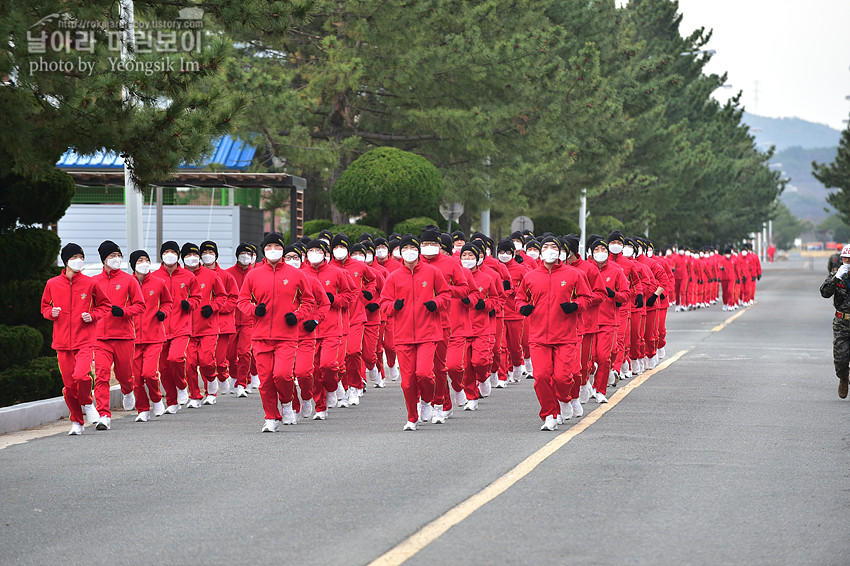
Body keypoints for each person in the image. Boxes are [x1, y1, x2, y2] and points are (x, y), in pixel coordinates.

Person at [237, 232, 316, 432]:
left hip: (287, 335)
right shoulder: (253, 274)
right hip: (261, 336)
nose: (273, 250)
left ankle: (288, 404)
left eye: (277, 247)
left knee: (282, 375)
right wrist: (254, 310)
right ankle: (271, 417)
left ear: (283, 249)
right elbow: (242, 301)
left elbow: (309, 301)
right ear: (264, 250)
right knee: (265, 381)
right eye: (269, 247)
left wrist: (297, 316)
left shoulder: (296, 274)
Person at [516, 236, 592, 430]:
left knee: (563, 378)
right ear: (541, 252)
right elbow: (519, 299)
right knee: (541, 376)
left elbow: (587, 298)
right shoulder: (531, 276)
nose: (549, 250)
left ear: (559, 252)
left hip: (565, 336)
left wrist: (575, 305)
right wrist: (523, 307)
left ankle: (565, 400)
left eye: (553, 247)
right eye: (546, 247)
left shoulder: (574, 274)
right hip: (539, 336)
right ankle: (549, 414)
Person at [379, 234, 451, 430]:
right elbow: (383, 303)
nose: (409, 251)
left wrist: (435, 303)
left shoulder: (432, 272)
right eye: (405, 248)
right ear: (401, 252)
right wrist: (395, 305)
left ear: (418, 251)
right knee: (408, 382)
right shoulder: (394, 276)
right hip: (402, 335)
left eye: (413, 247)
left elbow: (445, 294)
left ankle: (427, 401)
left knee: (425, 374)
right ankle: (412, 417)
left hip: (428, 332)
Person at [41, 243, 110, 435]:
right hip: (62, 342)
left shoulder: (90, 284)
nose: (78, 260)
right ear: (66, 261)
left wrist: (93, 315)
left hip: (85, 339)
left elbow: (104, 306)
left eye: (81, 257)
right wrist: (51, 312)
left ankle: (88, 404)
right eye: (74, 257)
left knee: (81, 375)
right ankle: (77, 423)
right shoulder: (52, 284)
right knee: (69, 387)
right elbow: (44, 307)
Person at [92, 240, 145, 430]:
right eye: (112, 256)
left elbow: (140, 305)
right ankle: (104, 415)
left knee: (125, 375)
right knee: (102, 376)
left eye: (118, 255)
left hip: (123, 336)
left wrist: (123, 311)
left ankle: (128, 391)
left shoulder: (129, 280)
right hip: (100, 338)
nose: (116, 259)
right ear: (104, 260)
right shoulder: (94, 282)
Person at [151, 240, 201, 413]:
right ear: (161, 255)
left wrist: (190, 304)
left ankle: (182, 386)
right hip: (160, 327)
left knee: (176, 358)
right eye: (166, 252)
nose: (170, 254)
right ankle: (172, 401)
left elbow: (197, 297)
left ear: (178, 255)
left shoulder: (188, 276)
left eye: (173, 251)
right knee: (163, 367)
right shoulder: (155, 277)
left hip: (181, 326)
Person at [129, 250, 173, 422]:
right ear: (133, 264)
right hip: (131, 338)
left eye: (146, 260)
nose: (144, 263)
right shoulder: (127, 283)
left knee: (149, 373)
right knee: (136, 378)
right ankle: (142, 409)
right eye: (140, 260)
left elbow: (168, 302)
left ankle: (156, 399)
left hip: (154, 335)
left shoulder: (159, 282)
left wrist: (163, 312)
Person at [181, 242, 226, 407]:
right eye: (187, 255)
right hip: (185, 328)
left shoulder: (211, 275)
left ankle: (211, 385)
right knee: (190, 364)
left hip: (207, 326)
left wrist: (212, 307)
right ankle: (194, 396)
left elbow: (222, 296)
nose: (191, 258)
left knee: (206, 361)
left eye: (194, 255)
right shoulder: (179, 277)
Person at [200, 240, 239, 395]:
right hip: (203, 323)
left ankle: (223, 377)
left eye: (210, 252)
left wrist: (217, 309)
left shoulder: (226, 276)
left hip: (222, 323)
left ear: (216, 255)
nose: (207, 256)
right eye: (204, 253)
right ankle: (210, 392)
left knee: (220, 359)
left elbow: (233, 298)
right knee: (205, 360)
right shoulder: (194, 275)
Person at [225, 243, 256, 397]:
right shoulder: (228, 274)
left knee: (244, 352)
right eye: (242, 253)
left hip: (249, 319)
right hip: (231, 318)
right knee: (230, 354)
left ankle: (242, 383)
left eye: (248, 253)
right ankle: (234, 376)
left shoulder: (256, 274)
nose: (245, 256)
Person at [820, 244, 850, 399]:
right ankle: (844, 378)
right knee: (840, 359)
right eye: (845, 258)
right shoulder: (836, 274)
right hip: (841, 321)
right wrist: (836, 277)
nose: (848, 261)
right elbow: (824, 293)